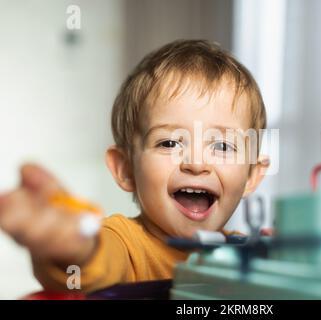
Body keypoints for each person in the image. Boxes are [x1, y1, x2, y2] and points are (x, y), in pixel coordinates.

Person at [0, 40, 269, 292]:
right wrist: (75, 248)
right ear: (125, 169)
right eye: (169, 143)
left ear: (251, 176)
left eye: (222, 146)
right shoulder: (123, 243)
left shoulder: (245, 252)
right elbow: (95, 264)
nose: (197, 164)